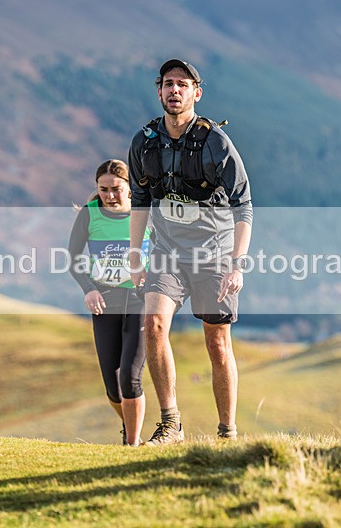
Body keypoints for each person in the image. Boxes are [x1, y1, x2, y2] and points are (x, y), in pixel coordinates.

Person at [127, 59, 253, 445]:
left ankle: (227, 432)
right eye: (168, 83)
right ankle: (171, 423)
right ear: (159, 91)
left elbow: (243, 205)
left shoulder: (215, 142)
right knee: (154, 324)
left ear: (196, 93)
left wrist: (236, 264)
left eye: (182, 84)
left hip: (213, 253)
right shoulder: (144, 142)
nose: (174, 90)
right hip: (166, 250)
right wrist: (136, 254)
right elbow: (141, 202)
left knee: (217, 341)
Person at [68, 159, 151, 446]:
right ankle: (129, 425)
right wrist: (89, 289)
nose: (110, 195)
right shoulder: (90, 214)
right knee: (113, 388)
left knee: (131, 378)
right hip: (104, 302)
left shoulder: (145, 212)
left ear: (130, 189)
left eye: (116, 189)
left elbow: (168, 251)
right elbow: (74, 258)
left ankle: (132, 444)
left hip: (140, 300)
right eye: (103, 189)